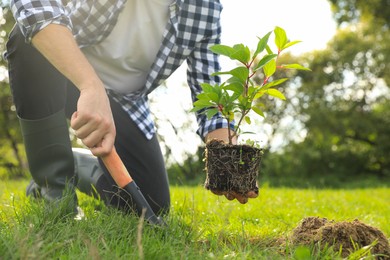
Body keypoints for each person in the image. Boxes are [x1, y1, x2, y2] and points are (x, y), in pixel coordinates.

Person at [5, 0, 258, 218]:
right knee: (26, 37)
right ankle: (55, 193)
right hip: (68, 70)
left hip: (125, 102)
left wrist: (226, 150)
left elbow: (209, 92)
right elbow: (33, 9)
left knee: (152, 205)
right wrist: (91, 85)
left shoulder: (205, 9)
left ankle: (69, 162)